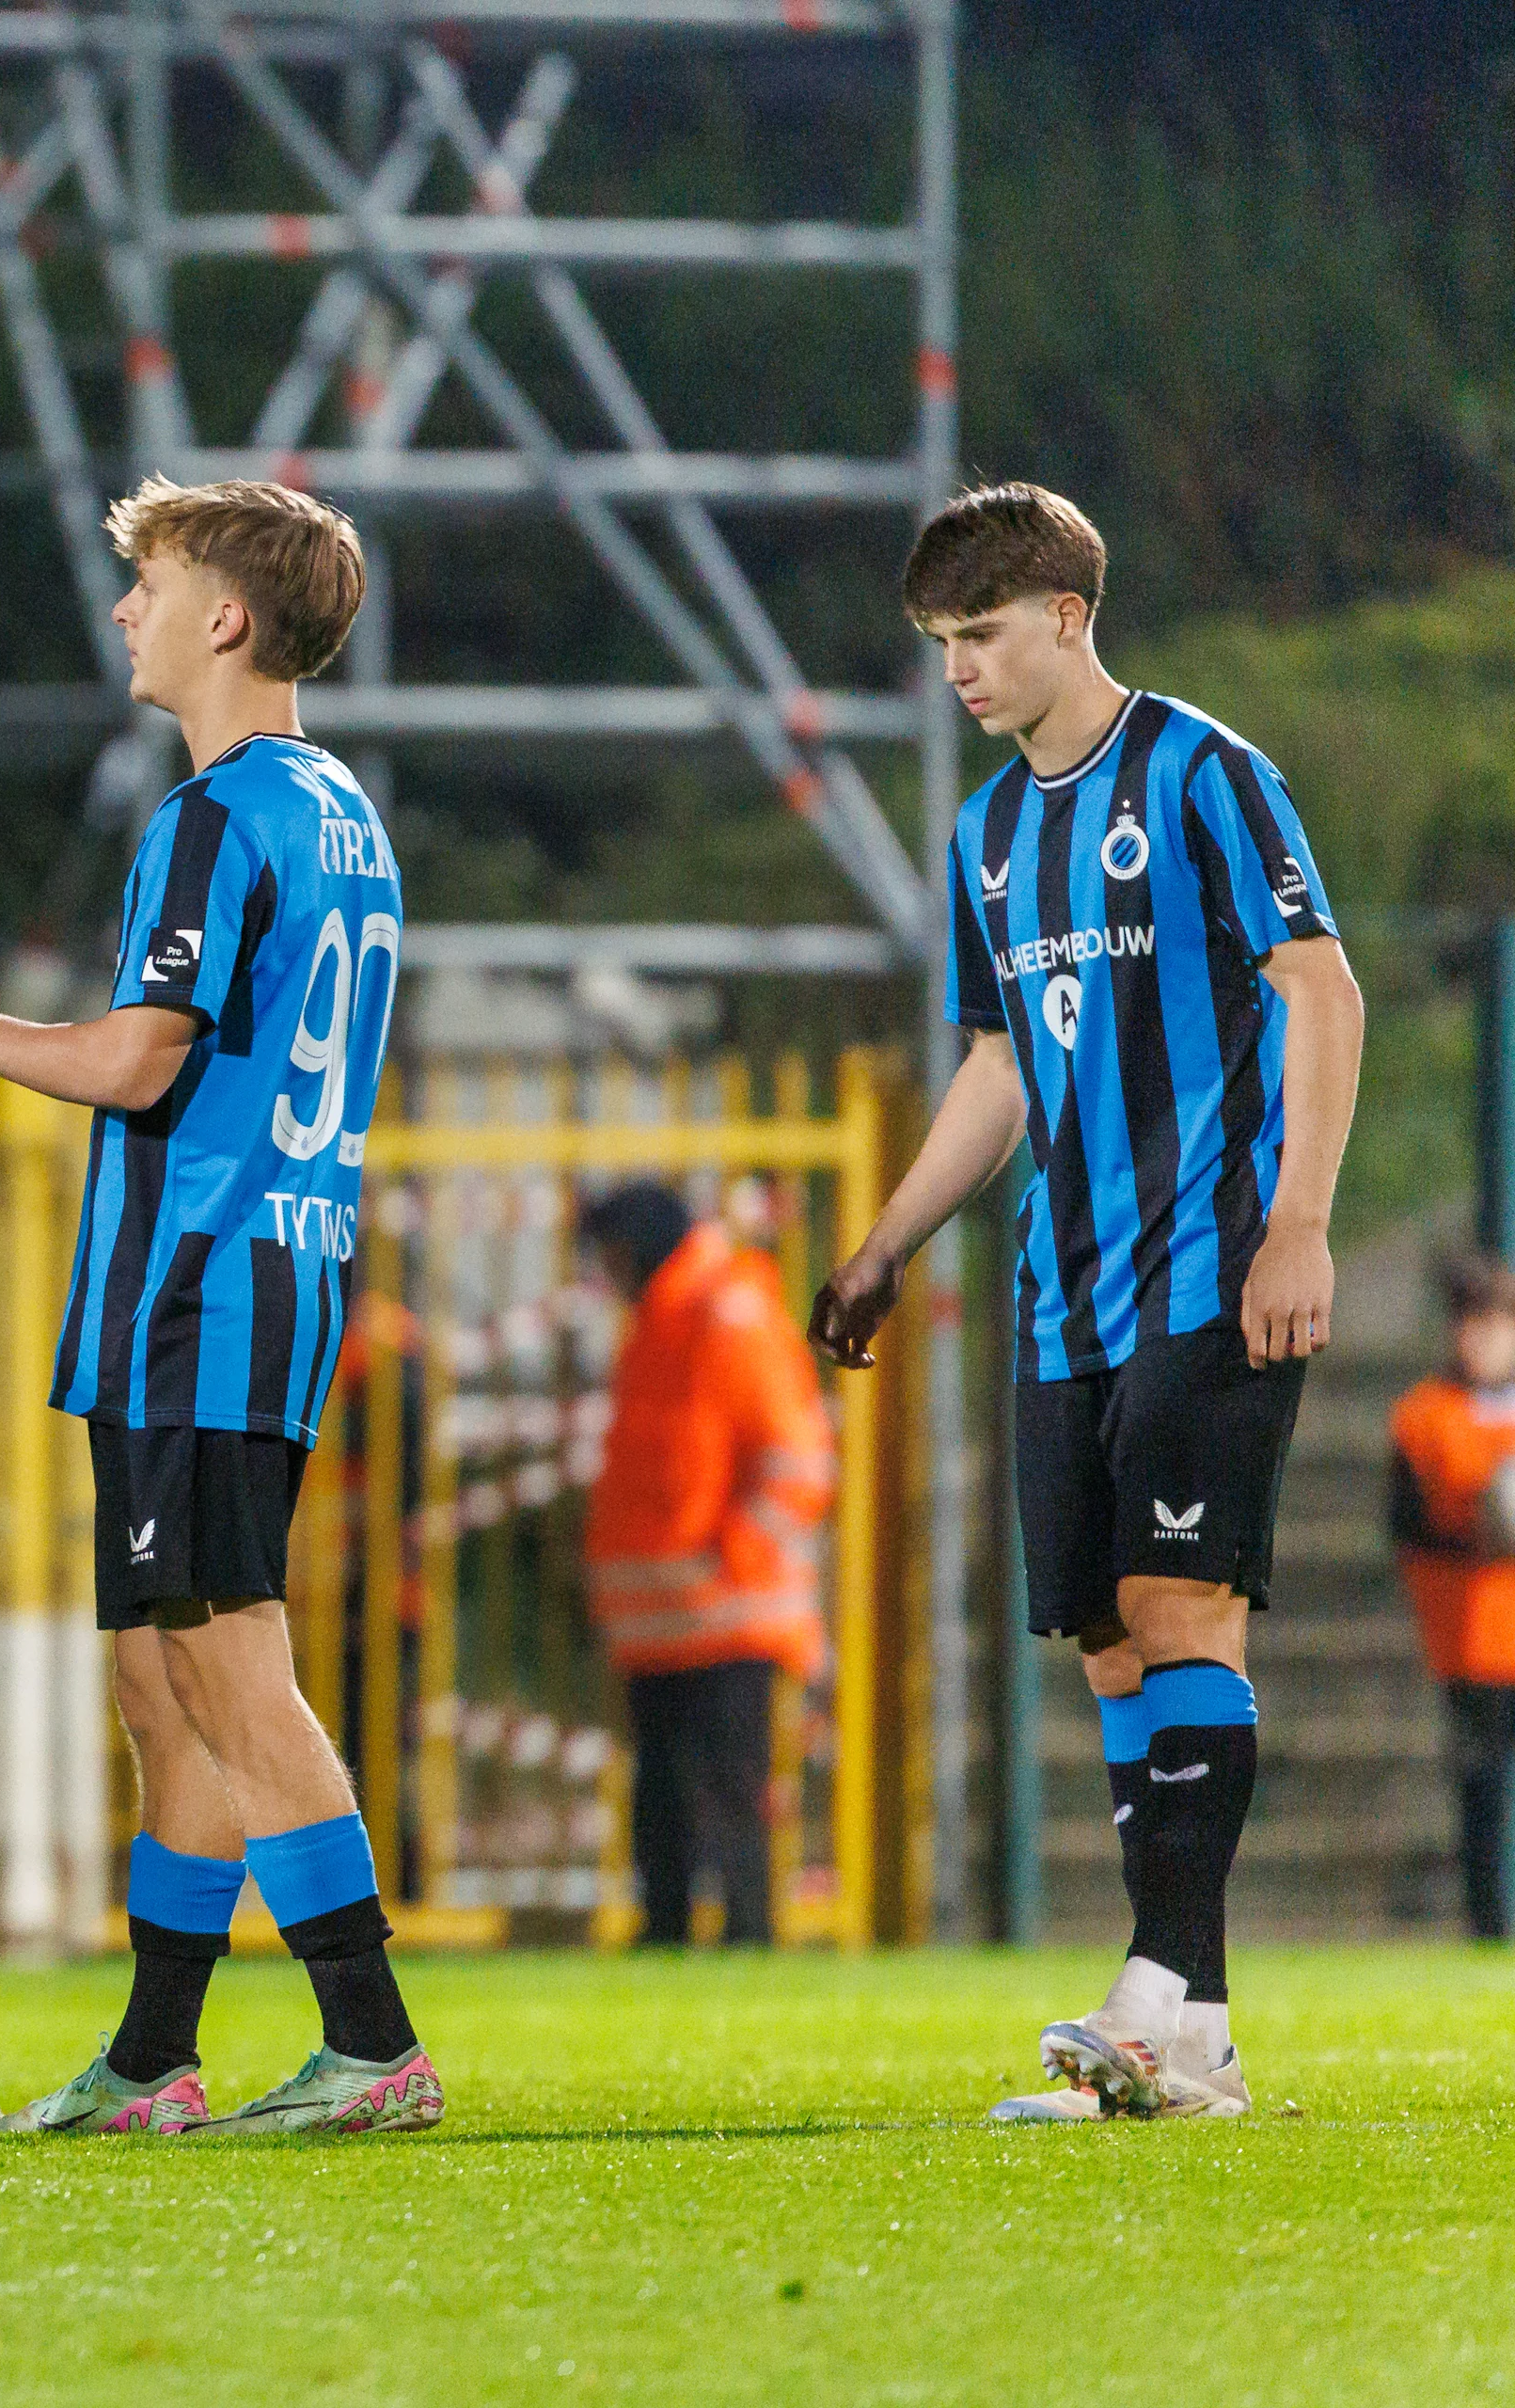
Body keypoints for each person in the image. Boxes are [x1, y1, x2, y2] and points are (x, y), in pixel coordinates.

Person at [0, 475, 442, 2142]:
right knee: (158, 1672)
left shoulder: (217, 815)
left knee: (222, 1657)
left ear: (225, 618)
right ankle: (151, 2058)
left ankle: (372, 2038)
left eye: (152, 583)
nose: (125, 611)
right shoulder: (341, 804)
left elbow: (139, 1059)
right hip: (262, 1266)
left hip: (199, 1280)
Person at [813, 482, 1363, 2124]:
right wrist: (890, 1239)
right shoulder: (989, 834)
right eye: (938, 646)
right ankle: (1190, 2040)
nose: (959, 672)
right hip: (1066, 1296)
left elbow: (1319, 989)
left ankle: (1148, 1995)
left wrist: (1303, 1225)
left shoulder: (1205, 774)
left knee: (1182, 1605)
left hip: (1216, 1269)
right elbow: (997, 1062)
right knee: (1115, 1648)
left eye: (978, 637)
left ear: (1066, 614)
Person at [576, 1180, 835, 1949]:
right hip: (665, 1626)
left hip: (728, 1618)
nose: (608, 1275)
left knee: (727, 1795)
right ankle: (668, 1935)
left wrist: (727, 1565)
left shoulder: (726, 1316)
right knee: (661, 1799)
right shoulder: (662, 1322)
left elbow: (796, 1465)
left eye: (614, 1257)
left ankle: (749, 1937)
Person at [1387, 1251, 1515, 1941]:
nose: (1483, 1340)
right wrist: (1480, 1523)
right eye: (1471, 1323)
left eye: (1497, 1323)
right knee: (1483, 1791)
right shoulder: (1425, 1417)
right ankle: (1489, 1926)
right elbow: (1408, 1524)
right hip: (1475, 1638)